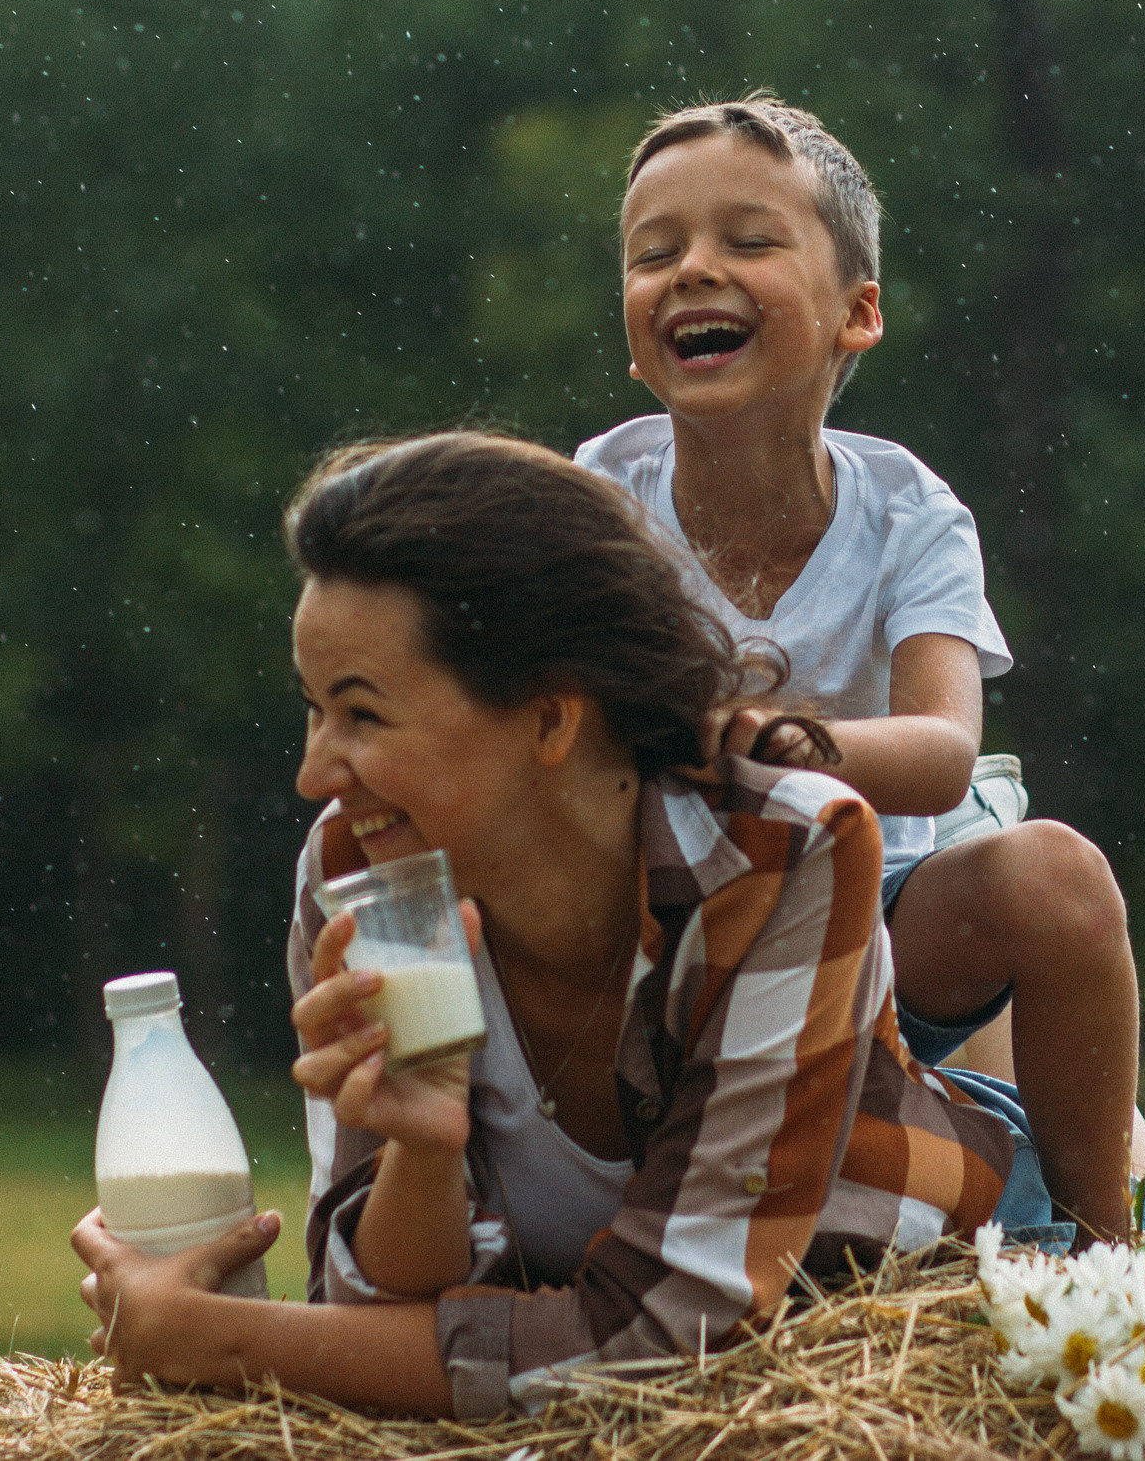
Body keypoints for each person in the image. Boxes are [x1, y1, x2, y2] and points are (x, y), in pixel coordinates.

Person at [70, 432, 1039, 1414]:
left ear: (549, 719)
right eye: (314, 710)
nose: (316, 772)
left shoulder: (781, 850)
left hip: (900, 1324)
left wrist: (223, 1338)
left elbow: (674, 1336)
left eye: (362, 715)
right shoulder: (354, 866)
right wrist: (425, 1149)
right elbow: (364, 1302)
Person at [577, 94, 1145, 1241]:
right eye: (655, 253)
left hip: (889, 916)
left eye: (747, 241)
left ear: (858, 313)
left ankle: (1108, 1245)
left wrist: (774, 745)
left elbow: (941, 753)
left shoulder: (910, 511)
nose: (692, 270)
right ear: (636, 334)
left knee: (1055, 876)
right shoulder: (599, 497)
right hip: (682, 925)